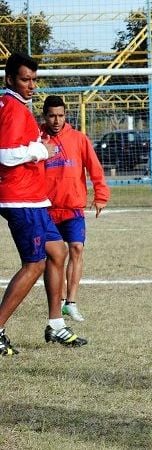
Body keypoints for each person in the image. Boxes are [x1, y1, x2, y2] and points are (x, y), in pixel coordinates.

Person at [0, 53, 88, 356]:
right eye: (25, 79)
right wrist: (41, 150)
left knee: (57, 250)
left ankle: (55, 324)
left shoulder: (17, 106)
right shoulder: (11, 108)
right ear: (10, 79)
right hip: (20, 199)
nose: (31, 85)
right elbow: (6, 154)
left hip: (34, 199)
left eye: (34, 80)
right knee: (34, 263)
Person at [41, 95, 110, 323]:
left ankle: (71, 303)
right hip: (47, 210)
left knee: (77, 249)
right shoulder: (37, 141)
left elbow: (95, 168)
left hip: (73, 208)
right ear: (45, 116)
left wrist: (101, 196)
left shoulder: (79, 139)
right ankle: (59, 302)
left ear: (65, 115)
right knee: (54, 257)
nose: (56, 120)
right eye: (52, 115)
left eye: (60, 115)